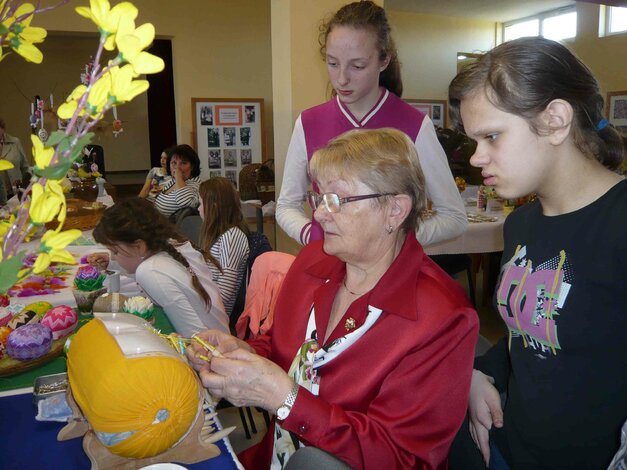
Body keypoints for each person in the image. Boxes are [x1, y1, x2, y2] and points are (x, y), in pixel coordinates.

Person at [187, 128, 478, 469]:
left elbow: (401, 457)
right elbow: (287, 350)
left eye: (337, 200)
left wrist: (286, 400)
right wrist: (243, 353)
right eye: (319, 198)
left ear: (395, 210)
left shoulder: (442, 316)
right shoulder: (312, 263)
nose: (320, 215)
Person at [447, 37, 627, 469]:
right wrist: (478, 375)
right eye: (474, 140)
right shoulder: (521, 224)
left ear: (555, 121)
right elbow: (526, 335)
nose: (476, 158)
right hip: (514, 445)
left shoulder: (619, 224)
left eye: (491, 136)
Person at [276, 0, 466, 247]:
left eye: (358, 66)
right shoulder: (309, 122)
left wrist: (389, 241)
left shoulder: (414, 125)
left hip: (391, 272)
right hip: (326, 264)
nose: (342, 78)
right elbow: (286, 206)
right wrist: (315, 237)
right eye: (332, 63)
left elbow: (454, 217)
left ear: (384, 60)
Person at [92, 198, 229, 337]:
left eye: (115, 252)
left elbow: (197, 337)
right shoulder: (172, 246)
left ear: (139, 246)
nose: (114, 257)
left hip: (212, 349)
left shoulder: (150, 271)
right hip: (221, 336)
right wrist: (112, 263)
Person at [198, 177, 251, 317]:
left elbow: (225, 291)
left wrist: (196, 301)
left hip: (216, 313)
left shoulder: (232, 235)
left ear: (214, 205)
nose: (198, 209)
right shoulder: (219, 236)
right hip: (210, 307)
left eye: (200, 203)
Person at [155, 144, 202, 217]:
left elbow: (186, 202)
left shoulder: (195, 184)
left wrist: (178, 176)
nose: (177, 167)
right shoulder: (173, 181)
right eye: (174, 163)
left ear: (192, 166)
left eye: (183, 163)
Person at [0, 117, 30, 203]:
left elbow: (25, 167)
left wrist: (26, 185)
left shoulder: (15, 142)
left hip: (16, 191)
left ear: (3, 129)